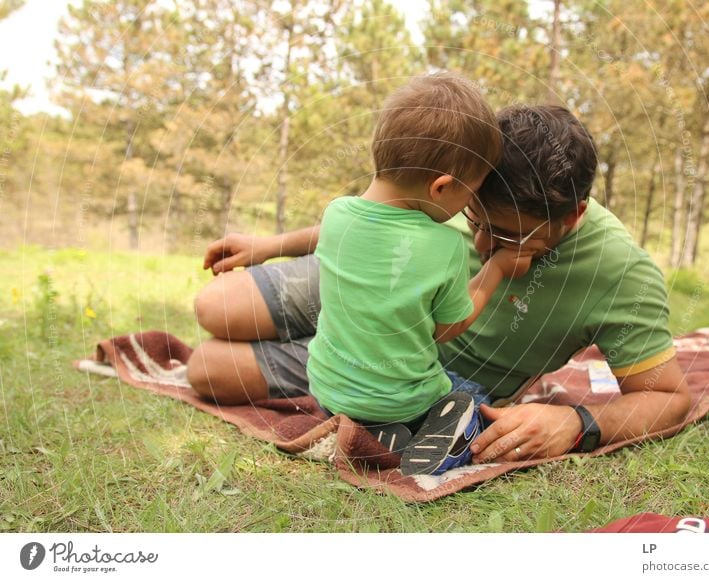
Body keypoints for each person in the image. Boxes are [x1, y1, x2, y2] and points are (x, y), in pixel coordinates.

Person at [188, 102, 691, 470]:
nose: (479, 240)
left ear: (574, 215)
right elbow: (385, 219)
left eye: (508, 235)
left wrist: (575, 422)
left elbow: (668, 397)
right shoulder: (467, 181)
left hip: (405, 372)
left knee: (207, 369)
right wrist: (271, 245)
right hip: (372, 283)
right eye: (473, 217)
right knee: (216, 304)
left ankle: (333, 369)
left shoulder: (621, 274)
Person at [190, 73, 530, 475]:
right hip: (403, 400)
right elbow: (447, 329)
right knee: (470, 394)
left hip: (329, 394)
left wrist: (268, 246)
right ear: (441, 188)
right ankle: (422, 427)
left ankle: (368, 430)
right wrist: (496, 269)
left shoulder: (336, 216)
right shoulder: (445, 247)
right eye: (471, 193)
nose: (470, 206)